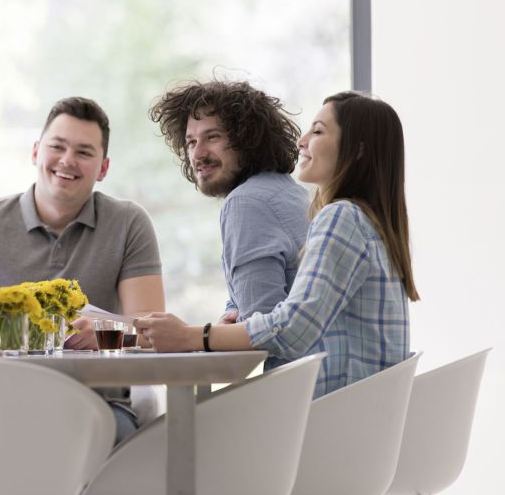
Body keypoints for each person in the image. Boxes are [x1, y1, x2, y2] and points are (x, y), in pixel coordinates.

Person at [0, 96, 165, 495]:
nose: (67, 161)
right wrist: (6, 330)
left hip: (99, 406)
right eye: (58, 146)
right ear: (36, 151)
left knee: (131, 453)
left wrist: (108, 332)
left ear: (103, 167)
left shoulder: (129, 223)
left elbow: (150, 329)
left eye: (84, 152)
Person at [138, 91, 417, 398]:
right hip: (363, 416)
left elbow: (292, 330)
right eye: (191, 142)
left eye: (318, 131)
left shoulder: (339, 216)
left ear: (357, 150)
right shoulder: (364, 219)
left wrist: (191, 336)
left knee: (186, 437)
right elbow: (291, 315)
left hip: (323, 418)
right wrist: (232, 322)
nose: (302, 140)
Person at [148, 80, 309, 370]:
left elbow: (264, 331)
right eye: (191, 141)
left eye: (213, 137)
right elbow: (258, 306)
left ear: (249, 140)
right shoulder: (291, 192)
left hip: (300, 397)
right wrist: (232, 316)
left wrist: (193, 336)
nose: (197, 154)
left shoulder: (247, 202)